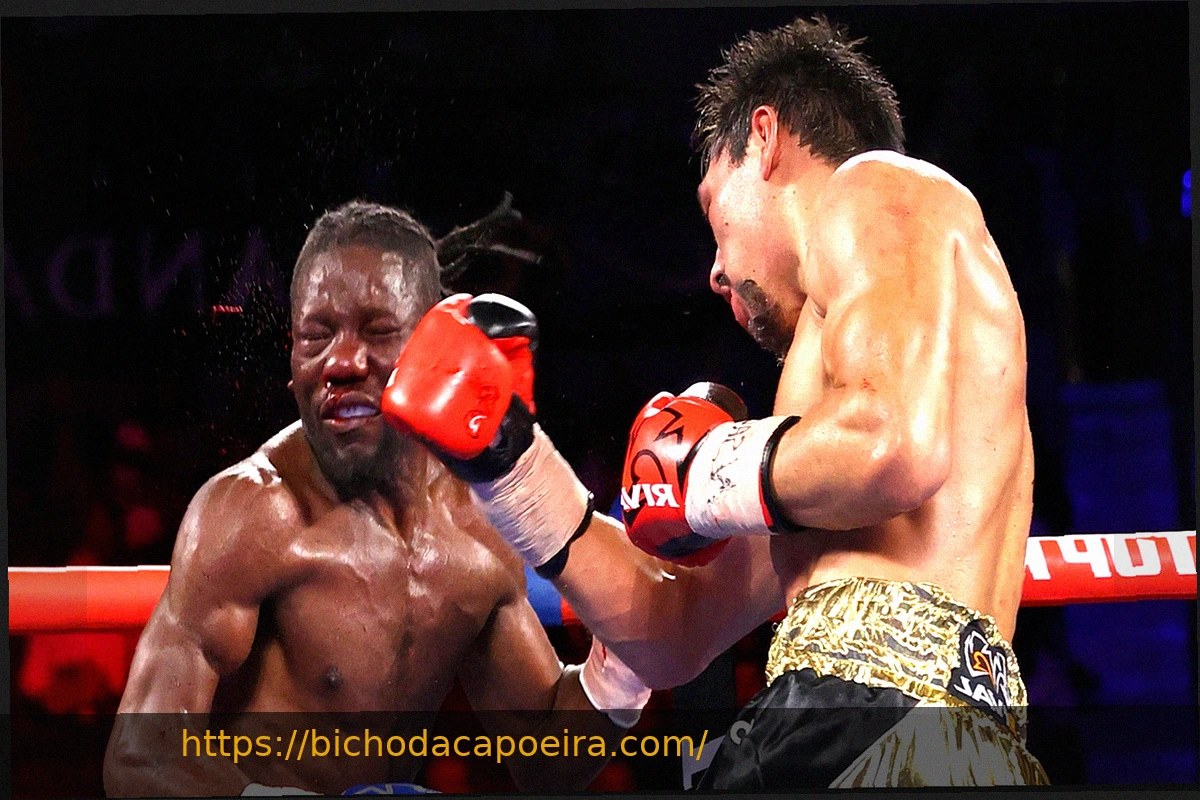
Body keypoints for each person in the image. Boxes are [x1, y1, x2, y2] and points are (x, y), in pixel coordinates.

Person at [382, 16, 1047, 788]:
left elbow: (894, 448)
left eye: (712, 208)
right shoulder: (825, 446)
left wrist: (704, 468)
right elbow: (672, 632)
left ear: (764, 138)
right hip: (920, 738)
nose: (715, 271)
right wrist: (510, 465)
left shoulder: (875, 185)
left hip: (864, 723)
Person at [104, 201, 649, 797]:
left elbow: (546, 759)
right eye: (316, 336)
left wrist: (636, 651)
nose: (341, 362)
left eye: (378, 331)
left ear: (433, 342)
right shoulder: (252, 514)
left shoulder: (478, 521)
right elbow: (140, 758)